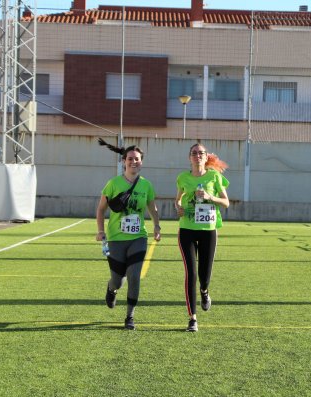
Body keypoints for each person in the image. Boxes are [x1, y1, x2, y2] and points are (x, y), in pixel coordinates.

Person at [96, 138, 161, 330]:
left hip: (138, 237)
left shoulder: (146, 185)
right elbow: (101, 209)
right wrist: (100, 231)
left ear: (142, 162)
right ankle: (111, 289)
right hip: (116, 239)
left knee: (134, 275)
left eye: (138, 159)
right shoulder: (113, 184)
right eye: (130, 158)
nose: (134, 162)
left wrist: (157, 226)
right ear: (124, 161)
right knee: (118, 279)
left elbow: (152, 208)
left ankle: (130, 316)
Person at [175, 142, 229, 332]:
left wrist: (209, 197)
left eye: (201, 153)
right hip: (187, 229)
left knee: (204, 275)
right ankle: (192, 318)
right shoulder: (182, 178)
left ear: (206, 157)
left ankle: (204, 291)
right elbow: (178, 198)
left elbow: (226, 202)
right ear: (189, 158)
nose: (197, 156)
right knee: (191, 273)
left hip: (208, 229)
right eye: (194, 153)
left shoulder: (214, 176)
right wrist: (178, 207)